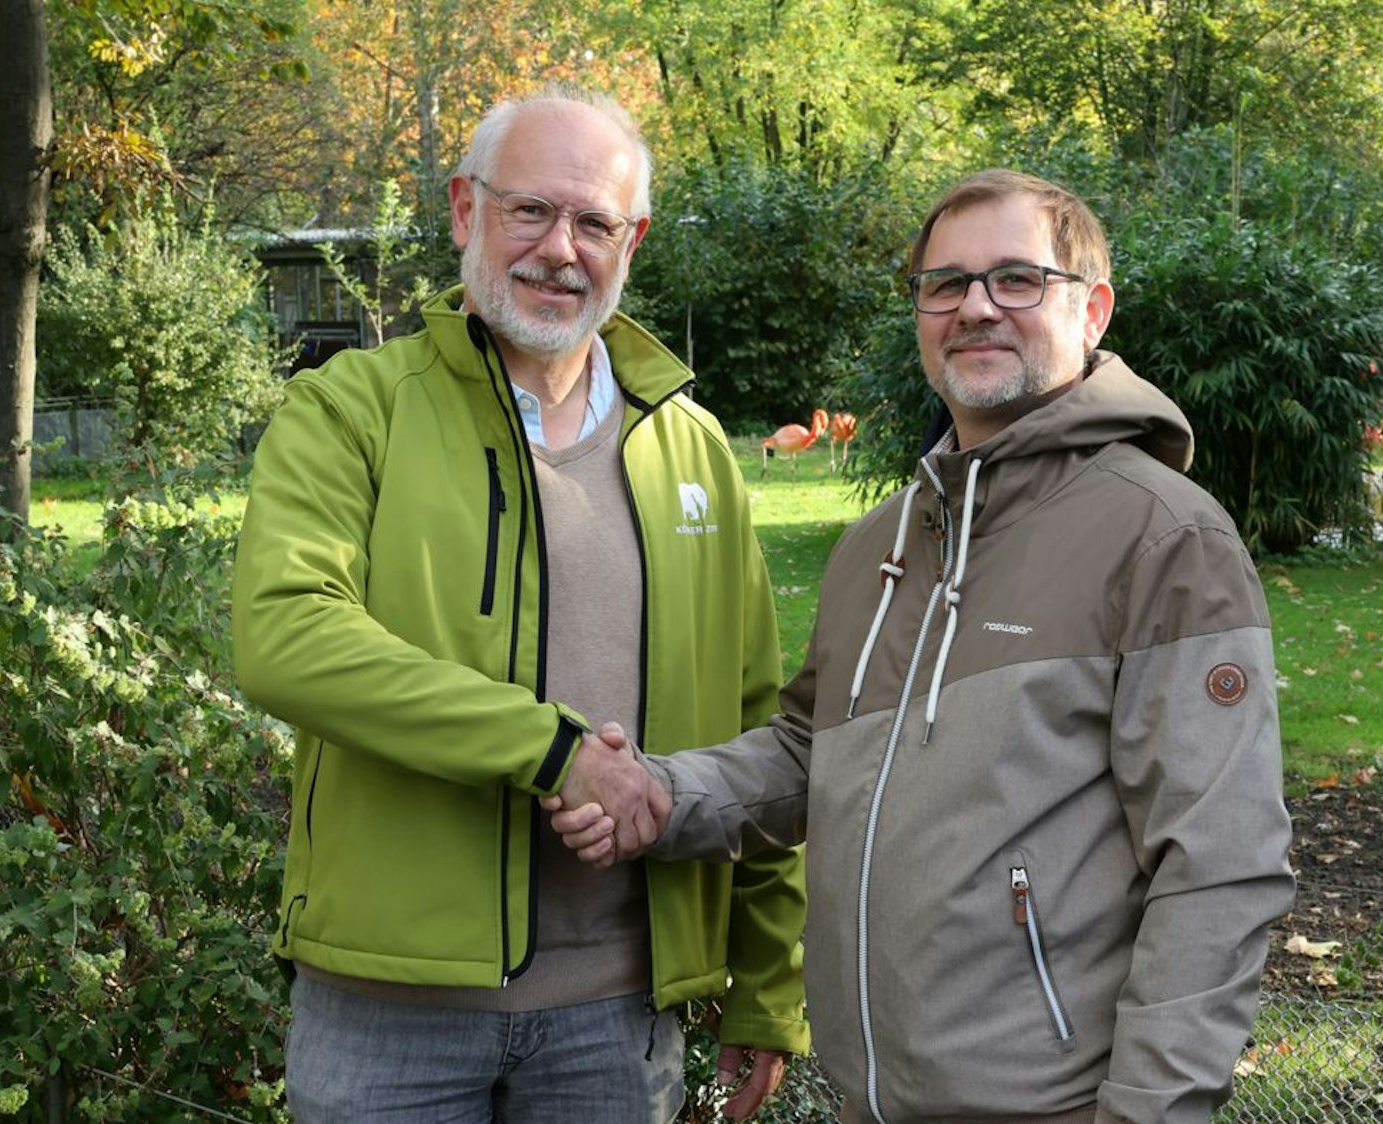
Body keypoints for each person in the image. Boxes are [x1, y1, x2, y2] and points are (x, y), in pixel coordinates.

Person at [548, 169, 1296, 1123]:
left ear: (1092, 310)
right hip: (871, 1099)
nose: (976, 307)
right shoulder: (882, 544)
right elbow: (808, 755)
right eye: (945, 284)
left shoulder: (1164, 538)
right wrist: (662, 795)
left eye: (1016, 279)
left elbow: (1220, 865)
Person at [232, 84, 807, 1123]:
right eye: (529, 210)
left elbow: (758, 725)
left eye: (593, 221)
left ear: (630, 240)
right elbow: (286, 638)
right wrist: (553, 749)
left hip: (618, 1016)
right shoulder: (351, 410)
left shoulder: (692, 451)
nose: (560, 248)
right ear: (465, 211)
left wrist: (763, 983)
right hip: (388, 1012)